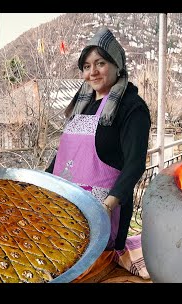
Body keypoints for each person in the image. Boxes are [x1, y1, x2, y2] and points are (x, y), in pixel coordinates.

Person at [45, 27, 151, 282]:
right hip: (64, 207)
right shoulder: (81, 104)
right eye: (86, 66)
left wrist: (105, 208)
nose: (92, 72)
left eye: (100, 63)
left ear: (117, 65)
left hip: (102, 211)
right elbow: (63, 155)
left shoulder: (131, 107)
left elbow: (135, 164)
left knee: (81, 273)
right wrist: (41, 186)